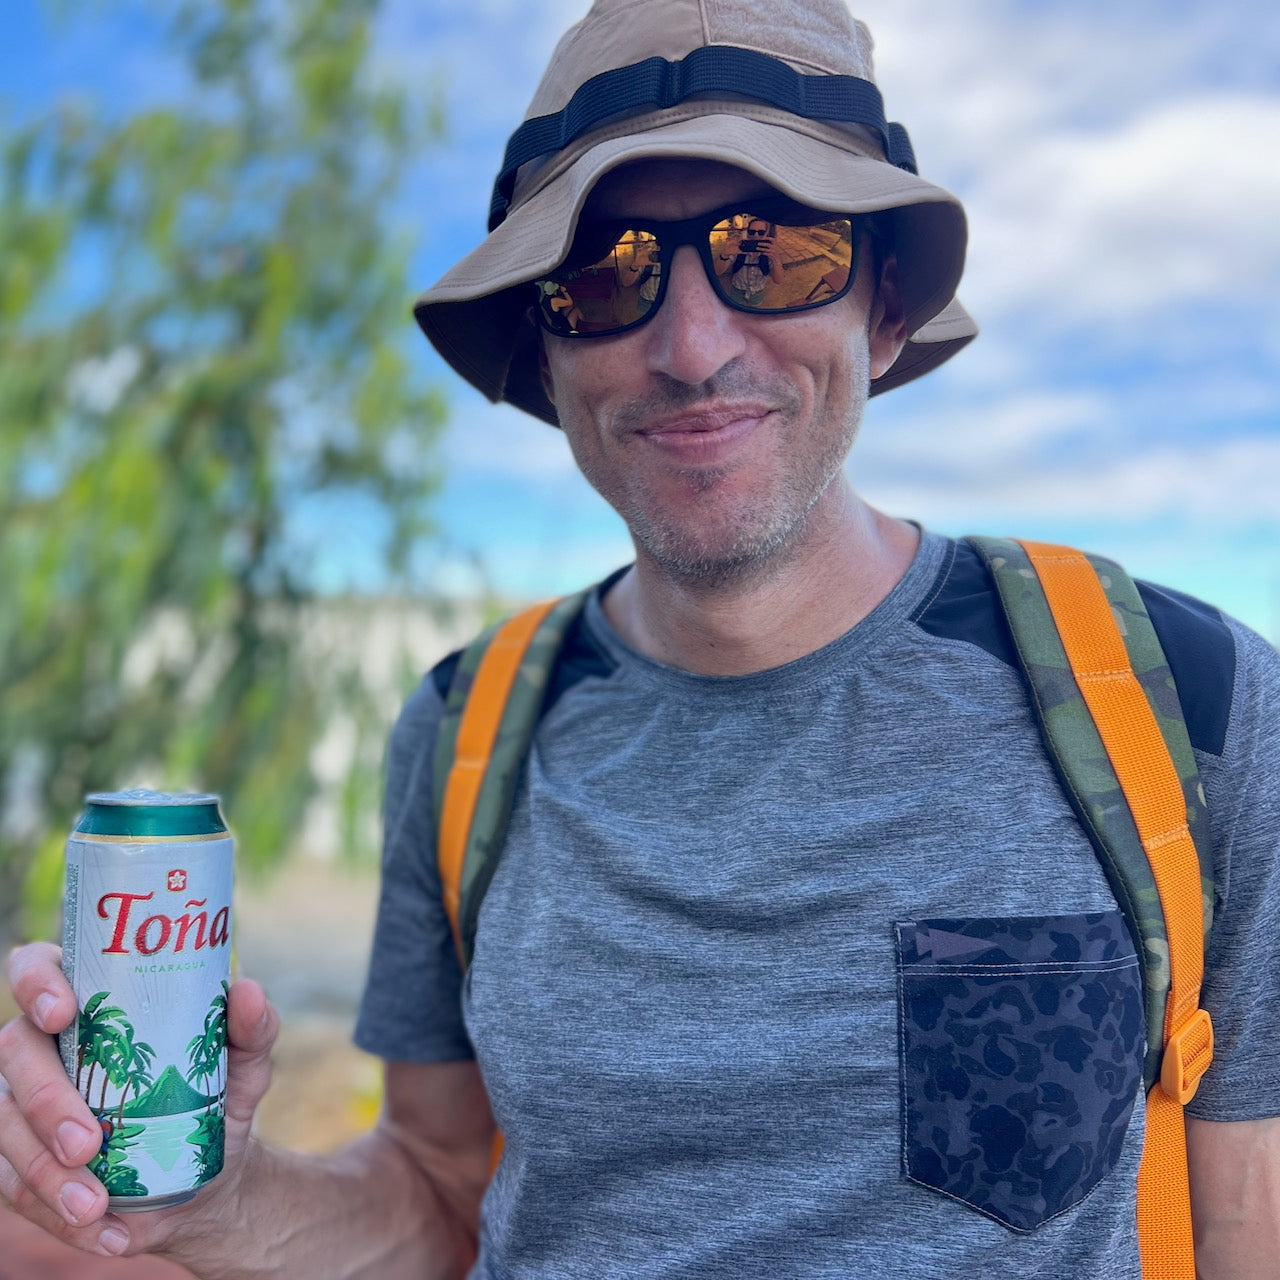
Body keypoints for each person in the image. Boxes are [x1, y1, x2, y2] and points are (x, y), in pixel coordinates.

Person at [3, 1, 1279, 1276]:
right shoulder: (465, 730)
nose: (689, 347)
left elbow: (1244, 1226)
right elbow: (444, 1193)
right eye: (602, 273)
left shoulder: (1184, 705)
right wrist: (214, 1202)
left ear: (883, 312)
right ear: (546, 353)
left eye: (772, 253)